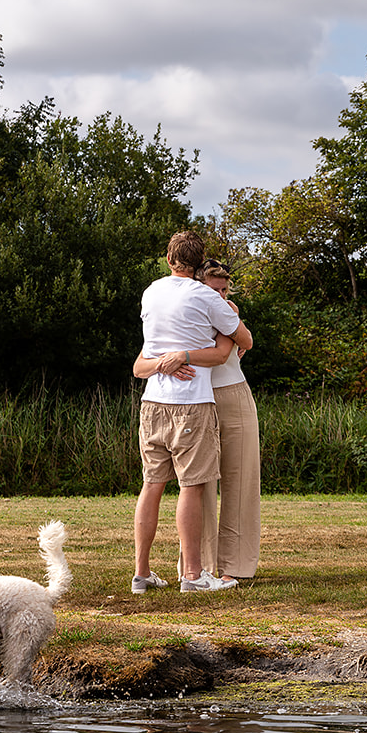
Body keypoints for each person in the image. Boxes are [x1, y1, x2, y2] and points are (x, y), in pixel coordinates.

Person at [132, 230, 246, 594]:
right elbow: (240, 340)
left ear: (169, 259)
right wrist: (194, 349)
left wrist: (167, 360)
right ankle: (193, 575)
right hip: (190, 404)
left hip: (152, 402)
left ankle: (142, 573)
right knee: (192, 486)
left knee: (151, 486)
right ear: (199, 264)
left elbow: (143, 360)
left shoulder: (151, 292)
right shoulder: (204, 296)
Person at [192, 259, 261, 581]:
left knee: (242, 479)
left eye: (223, 289)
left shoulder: (229, 308)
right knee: (199, 483)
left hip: (235, 394)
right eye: (213, 289)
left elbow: (246, 341)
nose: (219, 295)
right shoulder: (187, 312)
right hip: (199, 397)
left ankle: (236, 566)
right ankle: (199, 567)